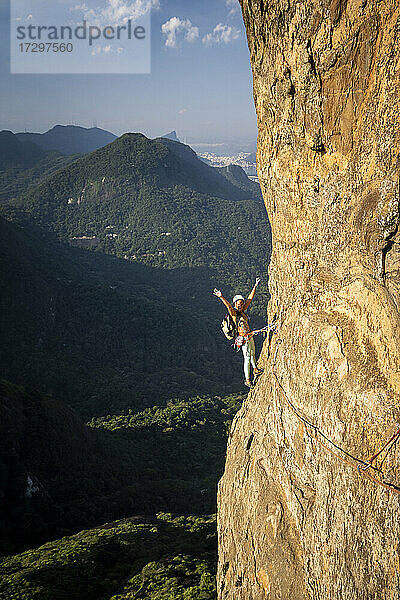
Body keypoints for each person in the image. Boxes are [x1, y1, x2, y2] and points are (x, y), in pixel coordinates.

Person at [213, 278, 263, 388]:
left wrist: (255, 286)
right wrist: (221, 297)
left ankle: (255, 369)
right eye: (239, 303)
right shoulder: (234, 314)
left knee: (253, 354)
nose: (240, 305)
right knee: (247, 358)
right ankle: (248, 380)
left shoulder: (242, 311)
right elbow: (228, 307)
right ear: (235, 303)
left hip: (249, 335)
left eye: (241, 303)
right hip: (243, 338)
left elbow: (250, 299)